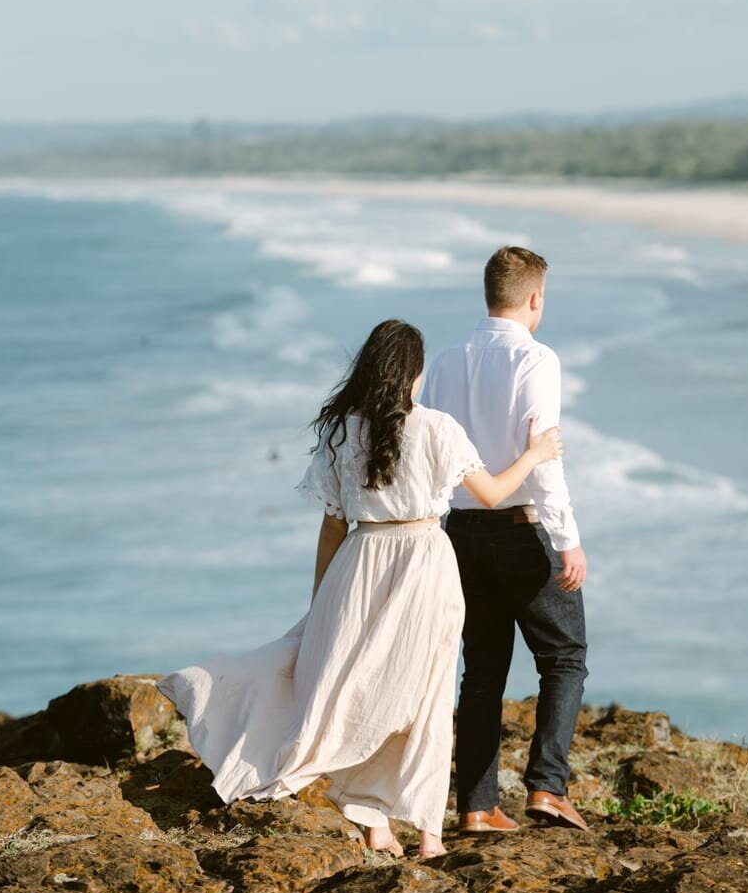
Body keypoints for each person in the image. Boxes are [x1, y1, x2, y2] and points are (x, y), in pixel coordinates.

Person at [156, 318, 562, 860]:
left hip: (358, 561)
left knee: (358, 688)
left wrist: (322, 597)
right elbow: (490, 495)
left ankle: (376, 825)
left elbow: (331, 525)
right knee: (426, 697)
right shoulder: (438, 428)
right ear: (413, 374)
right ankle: (428, 835)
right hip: (422, 563)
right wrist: (534, 456)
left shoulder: (342, 431)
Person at [420, 246, 589, 835]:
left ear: (489, 292)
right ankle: (547, 788)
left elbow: (433, 454)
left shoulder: (444, 362)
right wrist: (568, 539)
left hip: (460, 531)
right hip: (521, 528)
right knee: (564, 659)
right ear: (535, 297)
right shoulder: (536, 360)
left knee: (483, 671)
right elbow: (543, 460)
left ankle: (476, 806)